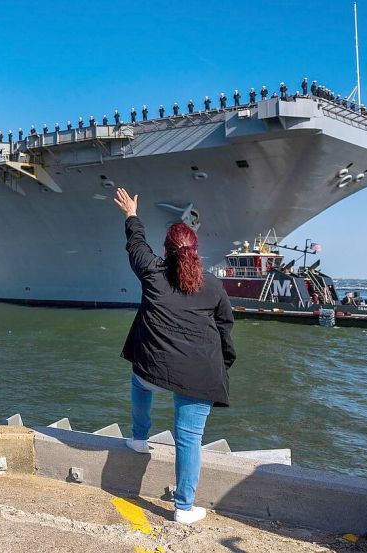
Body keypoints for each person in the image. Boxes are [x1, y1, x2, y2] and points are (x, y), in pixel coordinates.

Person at [112, 188, 236, 525]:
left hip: (155, 366)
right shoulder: (212, 286)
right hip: (199, 373)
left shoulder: (153, 273)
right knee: (189, 438)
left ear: (166, 251)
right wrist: (225, 361)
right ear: (196, 252)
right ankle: (184, 507)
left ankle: (140, 438)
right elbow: (225, 324)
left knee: (139, 383)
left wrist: (131, 215)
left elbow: (136, 247)